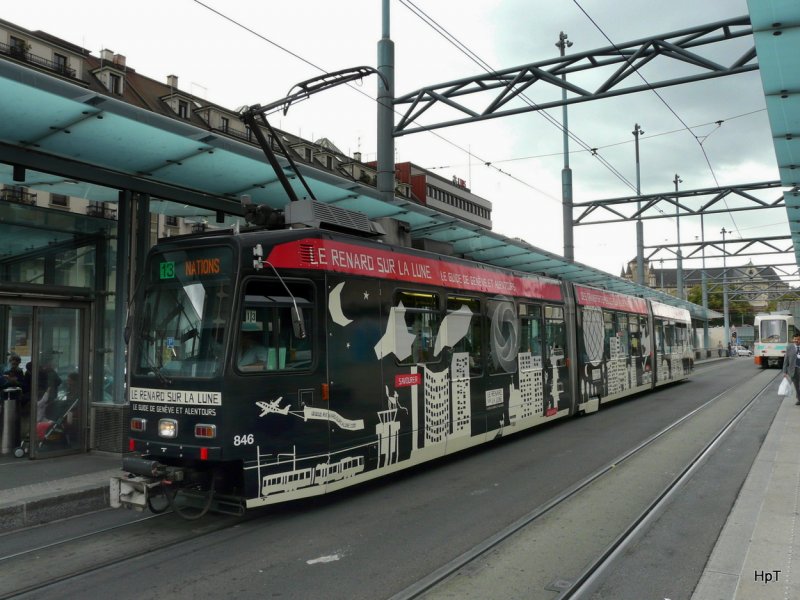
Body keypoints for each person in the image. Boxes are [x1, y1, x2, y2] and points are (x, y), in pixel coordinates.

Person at [781, 334, 800, 405]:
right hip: (793, 369)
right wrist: (784, 371)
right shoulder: (789, 347)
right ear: (793, 339)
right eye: (795, 339)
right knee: (796, 386)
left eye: (798, 339)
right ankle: (799, 399)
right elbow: (786, 360)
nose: (796, 341)